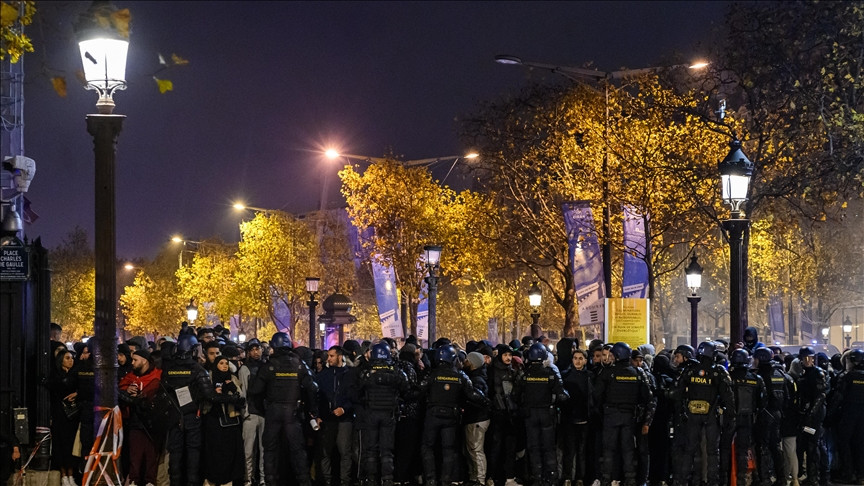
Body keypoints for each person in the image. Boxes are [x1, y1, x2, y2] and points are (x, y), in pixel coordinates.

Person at [249, 332, 319, 486]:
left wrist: (264, 409)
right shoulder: (299, 364)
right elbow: (313, 387)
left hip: (273, 411)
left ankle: (270, 481)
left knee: (270, 450)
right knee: (297, 450)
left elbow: (255, 391)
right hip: (292, 412)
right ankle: (304, 481)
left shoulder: (268, 366)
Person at [420, 344, 488, 486]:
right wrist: (487, 402)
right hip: (451, 416)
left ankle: (431, 479)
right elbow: (473, 394)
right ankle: (446, 480)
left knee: (428, 447)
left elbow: (419, 391)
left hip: (433, 415)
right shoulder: (460, 375)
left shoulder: (432, 374)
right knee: (449, 450)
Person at [672, 341, 733, 486]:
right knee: (712, 452)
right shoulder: (718, 371)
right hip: (711, 415)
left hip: (692, 415)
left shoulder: (690, 370)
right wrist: (730, 415)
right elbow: (728, 397)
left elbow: (678, 394)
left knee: (690, 450)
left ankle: (684, 481)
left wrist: (681, 412)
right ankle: (712, 482)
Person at [594, 342, 652, 486]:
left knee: (609, 450)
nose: (611, 357)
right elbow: (647, 397)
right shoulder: (638, 372)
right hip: (629, 416)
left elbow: (596, 396)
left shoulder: (607, 372)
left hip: (610, 415)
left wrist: (603, 413)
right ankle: (630, 479)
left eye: (613, 354)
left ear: (618, 355)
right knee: (628, 450)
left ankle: (606, 479)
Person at [161, 333, 212, 486]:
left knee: (175, 453)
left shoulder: (169, 369)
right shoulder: (197, 370)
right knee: (193, 451)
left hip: (174, 416)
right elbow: (209, 395)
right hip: (192, 416)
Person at [357, 342, 409, 486]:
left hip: (371, 413)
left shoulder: (366, 372)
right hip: (389, 414)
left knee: (371, 449)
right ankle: (387, 479)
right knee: (387, 450)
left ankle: (372, 479)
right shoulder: (396, 371)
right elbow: (406, 389)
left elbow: (358, 391)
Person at [118, 349, 164, 486]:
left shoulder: (158, 375)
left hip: (152, 422)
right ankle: (133, 480)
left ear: (144, 361)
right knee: (135, 455)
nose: (132, 363)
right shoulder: (131, 376)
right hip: (135, 421)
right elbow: (122, 387)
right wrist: (126, 390)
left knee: (151, 455)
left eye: (135, 360)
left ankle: (150, 481)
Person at [202, 355, 247, 486]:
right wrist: (215, 394)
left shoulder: (232, 378)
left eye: (226, 363)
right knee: (214, 455)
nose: (224, 366)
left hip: (231, 421)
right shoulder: (209, 378)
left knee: (229, 454)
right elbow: (206, 399)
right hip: (214, 421)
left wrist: (233, 389)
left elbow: (241, 398)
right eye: (221, 363)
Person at [753, 346, 794, 486]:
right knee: (776, 447)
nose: (754, 361)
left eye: (756, 358)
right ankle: (781, 477)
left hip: (765, 413)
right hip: (777, 414)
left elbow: (759, 397)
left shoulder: (761, 375)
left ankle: (764, 478)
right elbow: (787, 397)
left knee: (762, 446)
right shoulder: (779, 373)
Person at [315, 345, 356, 486]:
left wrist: (344, 409)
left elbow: (354, 396)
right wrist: (319, 415)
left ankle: (345, 481)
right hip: (328, 418)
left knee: (345, 451)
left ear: (339, 356)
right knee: (325, 451)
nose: (329, 358)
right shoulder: (323, 375)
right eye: (328, 356)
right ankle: (327, 480)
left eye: (332, 356)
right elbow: (318, 397)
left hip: (344, 418)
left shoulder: (349, 374)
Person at [725, 348, 765, 486]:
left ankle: (725, 479)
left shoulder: (728, 376)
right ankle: (742, 480)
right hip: (748, 418)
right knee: (743, 450)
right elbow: (763, 401)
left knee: (724, 449)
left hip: (729, 418)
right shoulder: (755, 378)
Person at [829, 348, 864, 483]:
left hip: (848, 414)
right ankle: (860, 474)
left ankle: (848, 473)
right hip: (862, 416)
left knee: (844, 443)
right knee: (860, 443)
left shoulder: (847, 376)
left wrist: (830, 416)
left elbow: (838, 397)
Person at [46, 348, 80, 486]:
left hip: (72, 415)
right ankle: (64, 474)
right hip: (59, 414)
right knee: (60, 444)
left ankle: (71, 474)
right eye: (67, 358)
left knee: (71, 445)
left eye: (72, 357)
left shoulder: (76, 375)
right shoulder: (55, 376)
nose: (71, 360)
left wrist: (77, 393)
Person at [795, 347, 828, 486]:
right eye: (806, 358)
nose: (809, 361)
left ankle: (816, 477)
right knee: (809, 445)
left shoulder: (817, 373)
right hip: (808, 415)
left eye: (811, 358)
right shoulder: (805, 374)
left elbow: (820, 396)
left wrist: (811, 413)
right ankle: (813, 476)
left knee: (814, 446)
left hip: (815, 416)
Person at [560, 348, 592, 486]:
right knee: (569, 450)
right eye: (575, 358)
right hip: (569, 419)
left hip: (584, 418)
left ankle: (580, 478)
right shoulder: (565, 375)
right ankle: (567, 476)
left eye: (580, 358)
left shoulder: (590, 376)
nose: (578, 361)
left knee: (582, 451)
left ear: (585, 360)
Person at [239, 338, 267, 486]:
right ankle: (249, 477)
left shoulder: (264, 366)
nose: (256, 351)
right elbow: (243, 392)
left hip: (262, 412)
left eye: (258, 349)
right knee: (249, 450)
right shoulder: (245, 368)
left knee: (262, 449)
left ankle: (260, 477)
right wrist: (245, 412)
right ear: (249, 352)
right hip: (251, 411)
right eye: (253, 349)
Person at [463, 351, 491, 486]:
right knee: (472, 450)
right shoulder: (478, 377)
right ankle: (475, 477)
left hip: (477, 419)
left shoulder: (476, 380)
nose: (464, 362)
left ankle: (480, 479)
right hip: (475, 418)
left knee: (476, 449)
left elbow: (477, 400)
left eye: (467, 360)